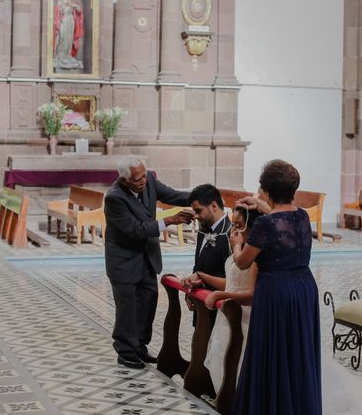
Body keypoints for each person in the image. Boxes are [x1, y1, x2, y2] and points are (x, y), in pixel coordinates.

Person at [230, 159, 322, 415]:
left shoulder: (265, 225)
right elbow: (282, 220)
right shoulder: (304, 216)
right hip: (304, 288)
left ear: (266, 191)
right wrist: (263, 207)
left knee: (273, 353)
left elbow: (243, 263)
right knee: (297, 354)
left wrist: (236, 243)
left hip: (276, 291)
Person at [104, 156, 193, 370]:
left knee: (148, 303)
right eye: (137, 179)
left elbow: (172, 195)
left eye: (144, 175)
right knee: (128, 308)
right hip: (124, 261)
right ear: (124, 180)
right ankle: (125, 352)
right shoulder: (114, 198)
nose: (143, 181)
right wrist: (169, 220)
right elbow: (137, 229)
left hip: (147, 258)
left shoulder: (150, 180)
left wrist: (201, 198)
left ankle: (140, 346)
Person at [201, 206, 260, 393]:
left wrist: (221, 295)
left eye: (239, 225)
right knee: (224, 365)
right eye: (233, 224)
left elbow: (252, 294)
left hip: (246, 319)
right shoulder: (241, 249)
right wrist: (202, 276)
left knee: (240, 367)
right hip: (228, 317)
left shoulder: (256, 255)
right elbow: (233, 283)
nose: (234, 231)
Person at [180, 184, 232, 323]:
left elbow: (233, 279)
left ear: (214, 206)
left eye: (198, 210)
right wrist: (190, 290)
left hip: (219, 308)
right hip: (201, 303)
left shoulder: (230, 234)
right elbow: (199, 264)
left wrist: (202, 279)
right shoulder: (203, 230)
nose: (195, 216)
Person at [53, 0, 84, 70]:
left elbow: (79, 10)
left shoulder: (73, 1)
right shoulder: (61, 0)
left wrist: (75, 6)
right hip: (64, 20)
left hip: (71, 21)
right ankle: (60, 55)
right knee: (62, 37)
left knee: (69, 38)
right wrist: (63, 8)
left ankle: (68, 55)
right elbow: (58, 10)